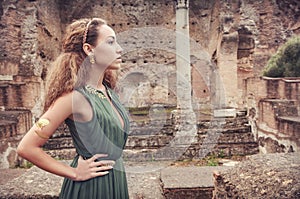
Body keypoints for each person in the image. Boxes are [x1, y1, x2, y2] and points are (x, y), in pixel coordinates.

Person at [17, 17, 130, 199]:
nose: (119, 49)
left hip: (116, 181)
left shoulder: (108, 91)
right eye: (110, 42)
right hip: (91, 188)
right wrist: (74, 172)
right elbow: (26, 147)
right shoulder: (73, 98)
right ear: (89, 49)